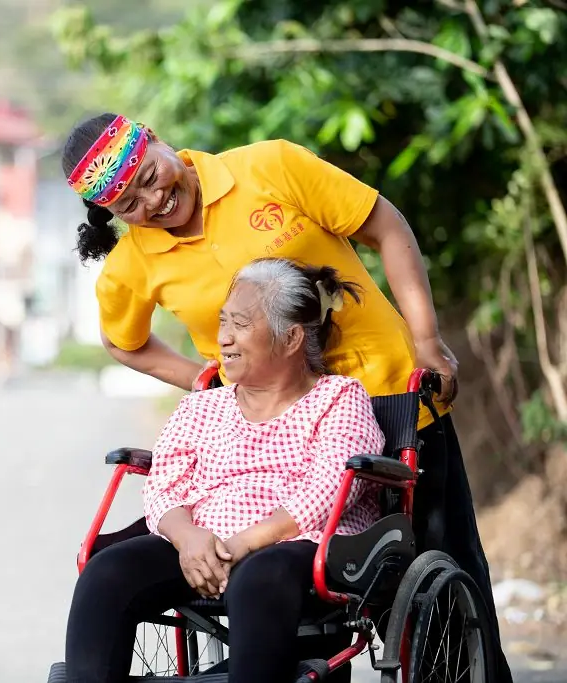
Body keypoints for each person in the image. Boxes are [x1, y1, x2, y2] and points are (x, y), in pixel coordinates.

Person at [61, 113, 512, 681]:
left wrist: (426, 340)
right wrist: (208, 382)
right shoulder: (134, 266)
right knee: (134, 577)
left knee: (445, 585)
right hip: (255, 416)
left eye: (151, 177)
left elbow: (385, 226)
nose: (153, 201)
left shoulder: (270, 166)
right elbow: (123, 342)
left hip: (390, 398)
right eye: (130, 204)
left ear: (153, 138)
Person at [65, 259, 383, 683]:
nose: (223, 338)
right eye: (222, 322)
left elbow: (328, 490)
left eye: (240, 324)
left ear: (291, 338)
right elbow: (164, 487)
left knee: (258, 579)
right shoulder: (202, 406)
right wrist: (188, 538)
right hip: (201, 544)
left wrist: (242, 544)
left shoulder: (339, 398)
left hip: (298, 543)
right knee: (106, 574)